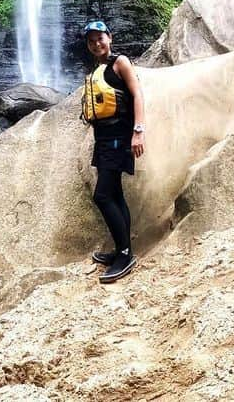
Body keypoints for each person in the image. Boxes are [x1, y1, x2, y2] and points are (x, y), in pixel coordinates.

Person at [80, 20, 146, 283]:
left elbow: (137, 94)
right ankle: (122, 248)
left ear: (110, 37)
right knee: (115, 194)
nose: (97, 43)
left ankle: (125, 255)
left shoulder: (121, 62)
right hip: (104, 138)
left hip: (119, 136)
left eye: (100, 38)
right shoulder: (98, 69)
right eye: (91, 40)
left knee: (103, 195)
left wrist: (138, 130)